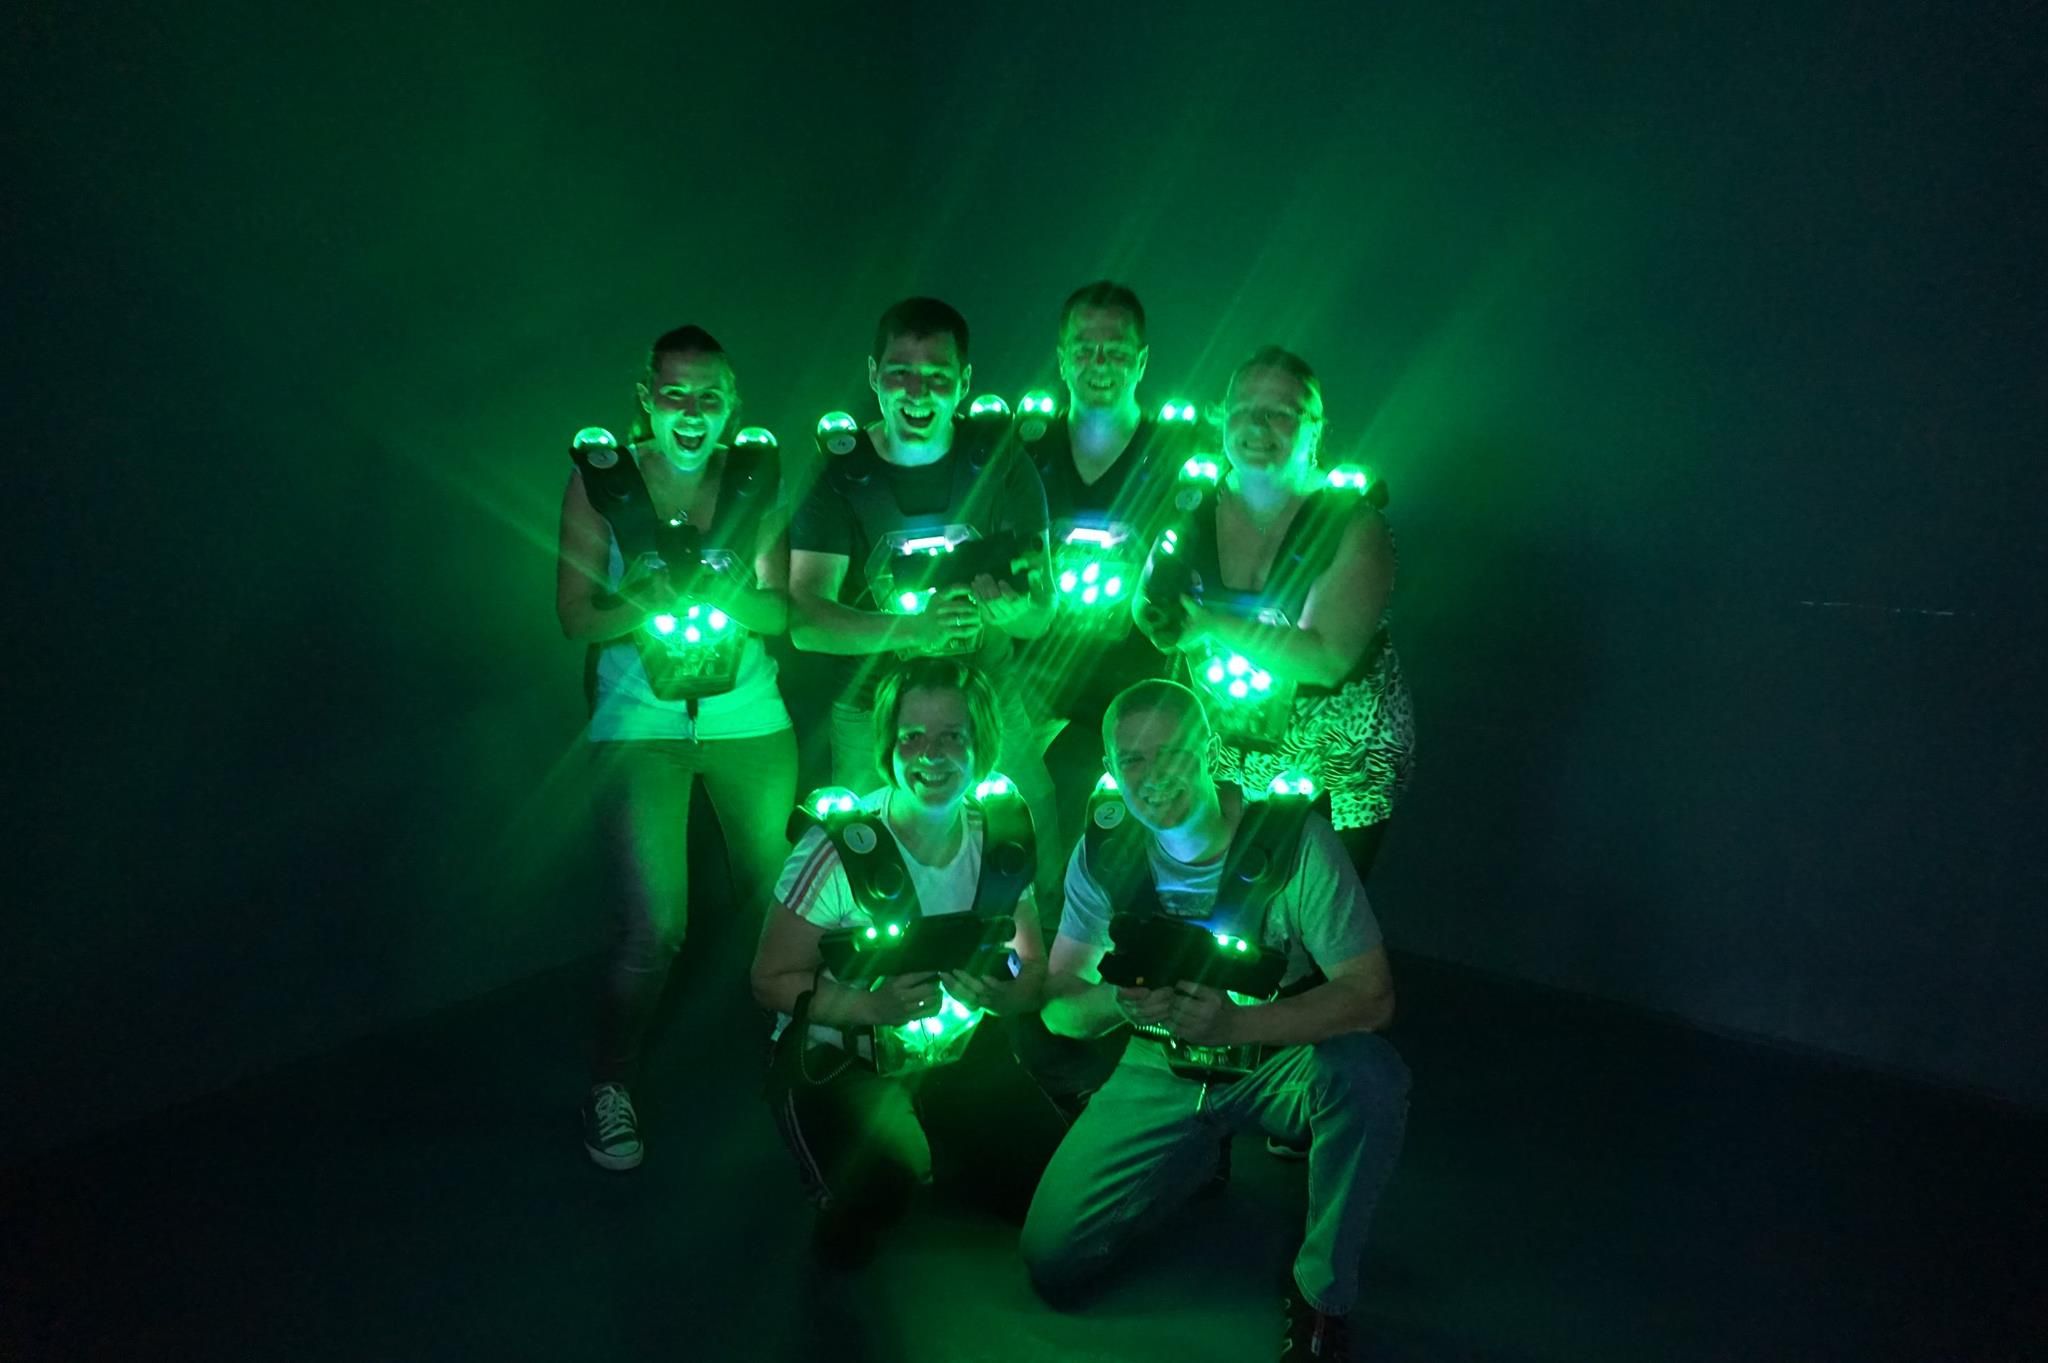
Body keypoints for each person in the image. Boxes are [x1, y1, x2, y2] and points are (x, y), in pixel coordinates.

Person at [1021, 679, 1408, 1362]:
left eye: (1169, 752)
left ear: (1208, 749)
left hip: (1265, 1054)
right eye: (1131, 759)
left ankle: (1322, 1292)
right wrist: (1119, 1002)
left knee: (1369, 1075)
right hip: (1158, 1061)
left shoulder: (1294, 841)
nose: (1151, 776)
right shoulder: (1104, 849)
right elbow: (1059, 1004)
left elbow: (1372, 996)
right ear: (1110, 765)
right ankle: (1197, 1156)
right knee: (1052, 1261)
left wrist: (1236, 1024)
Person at [556, 325, 796, 1171]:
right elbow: (578, 617)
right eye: (674, 394)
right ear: (644, 400)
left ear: (732, 406)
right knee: (655, 928)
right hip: (640, 724)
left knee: (784, 897)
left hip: (748, 720)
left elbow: (780, 614)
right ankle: (610, 1082)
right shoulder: (601, 481)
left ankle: (799, 1046)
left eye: (709, 397)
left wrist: (737, 591)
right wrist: (639, 597)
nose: (690, 412)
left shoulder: (752, 480)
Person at [751, 658, 1064, 1267]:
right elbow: (767, 979)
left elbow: (1033, 976)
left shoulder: (1001, 836)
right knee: (876, 1200)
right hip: (841, 1055)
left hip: (956, 1052)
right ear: (887, 745)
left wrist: (1007, 995)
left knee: (1048, 1196)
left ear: (982, 744)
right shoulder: (838, 846)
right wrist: (871, 1006)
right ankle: (867, 1146)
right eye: (912, 736)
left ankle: (937, 1131)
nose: (932, 754)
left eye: (954, 736)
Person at [788, 296, 1063, 903]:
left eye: (938, 377)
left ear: (963, 383)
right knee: (868, 856)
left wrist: (1014, 611)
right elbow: (807, 620)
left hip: (985, 684)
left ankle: (1033, 972)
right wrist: (915, 630)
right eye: (900, 374)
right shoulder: (840, 471)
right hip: (872, 702)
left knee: (1031, 821)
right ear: (873, 377)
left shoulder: (1000, 462)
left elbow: (1041, 613)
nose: (918, 393)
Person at [1134, 345, 1416, 883]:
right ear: (1222, 418)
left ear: (1314, 427)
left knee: (1318, 916)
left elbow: (1326, 657)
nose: (1257, 425)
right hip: (1220, 758)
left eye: (1280, 412)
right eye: (1242, 409)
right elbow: (1146, 602)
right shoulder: (1191, 502)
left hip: (1336, 767)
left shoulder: (1354, 523)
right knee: (1221, 907)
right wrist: (1160, 620)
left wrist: (1212, 626)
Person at [1012, 281, 1195, 851]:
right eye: (1084, 348)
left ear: (1140, 361)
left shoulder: (1182, 455)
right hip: (1030, 680)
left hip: (1141, 683)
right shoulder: (1020, 451)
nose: (1099, 364)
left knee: (1128, 844)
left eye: (1115, 351)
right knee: (1014, 823)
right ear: (1062, 358)